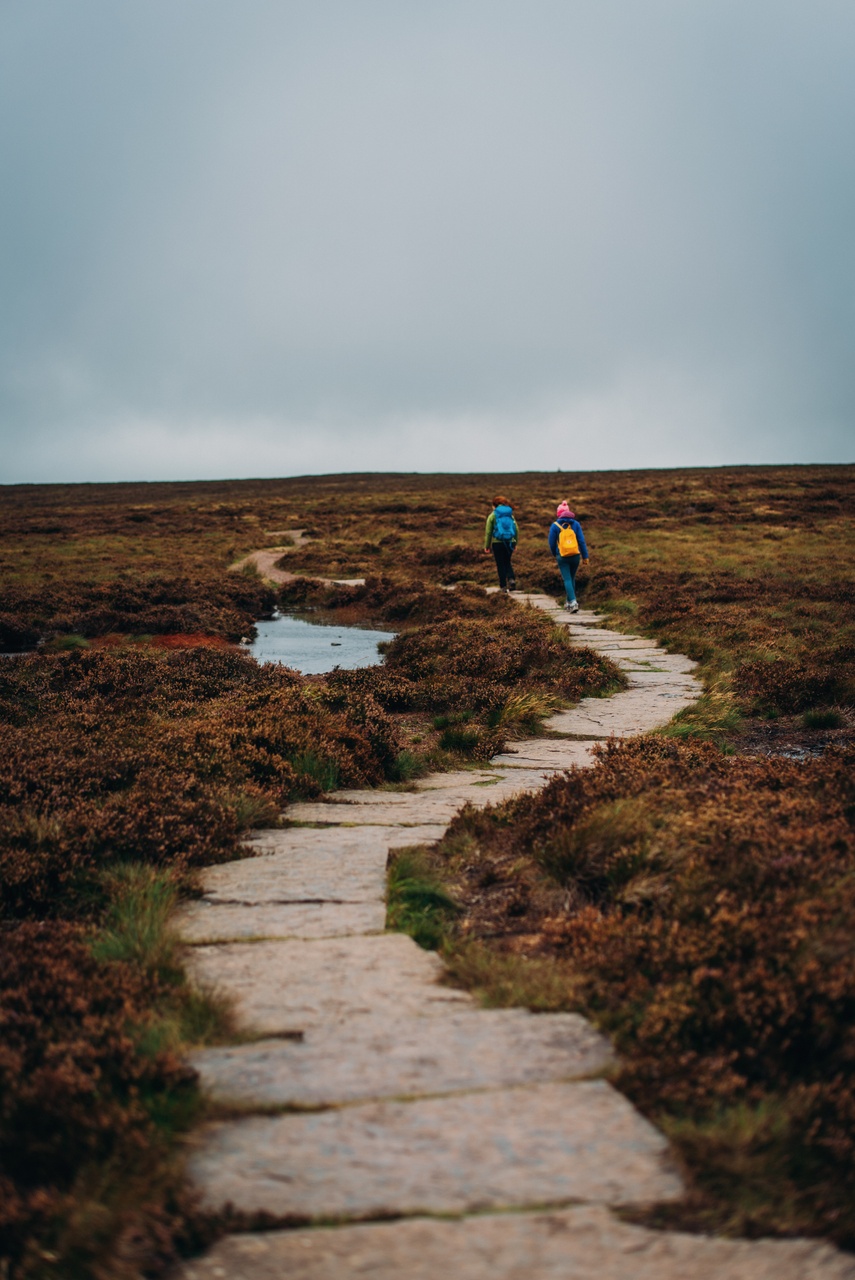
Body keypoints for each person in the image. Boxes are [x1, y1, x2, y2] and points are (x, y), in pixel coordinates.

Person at [548, 501, 589, 612]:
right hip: (575, 555)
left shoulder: (555, 526)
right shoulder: (576, 524)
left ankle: (573, 602)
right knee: (571, 578)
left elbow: (551, 543)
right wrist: (585, 556)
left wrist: (555, 553)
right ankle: (569, 603)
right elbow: (581, 541)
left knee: (567, 579)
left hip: (562, 556)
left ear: (559, 514)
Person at [483, 495, 518, 591]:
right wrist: (514, 543)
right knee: (507, 561)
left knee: (500, 564)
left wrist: (487, 546)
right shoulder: (510, 515)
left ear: (494, 505)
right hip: (509, 542)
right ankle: (511, 579)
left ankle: (503, 586)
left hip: (497, 543)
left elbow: (488, 532)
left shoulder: (492, 516)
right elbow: (516, 530)